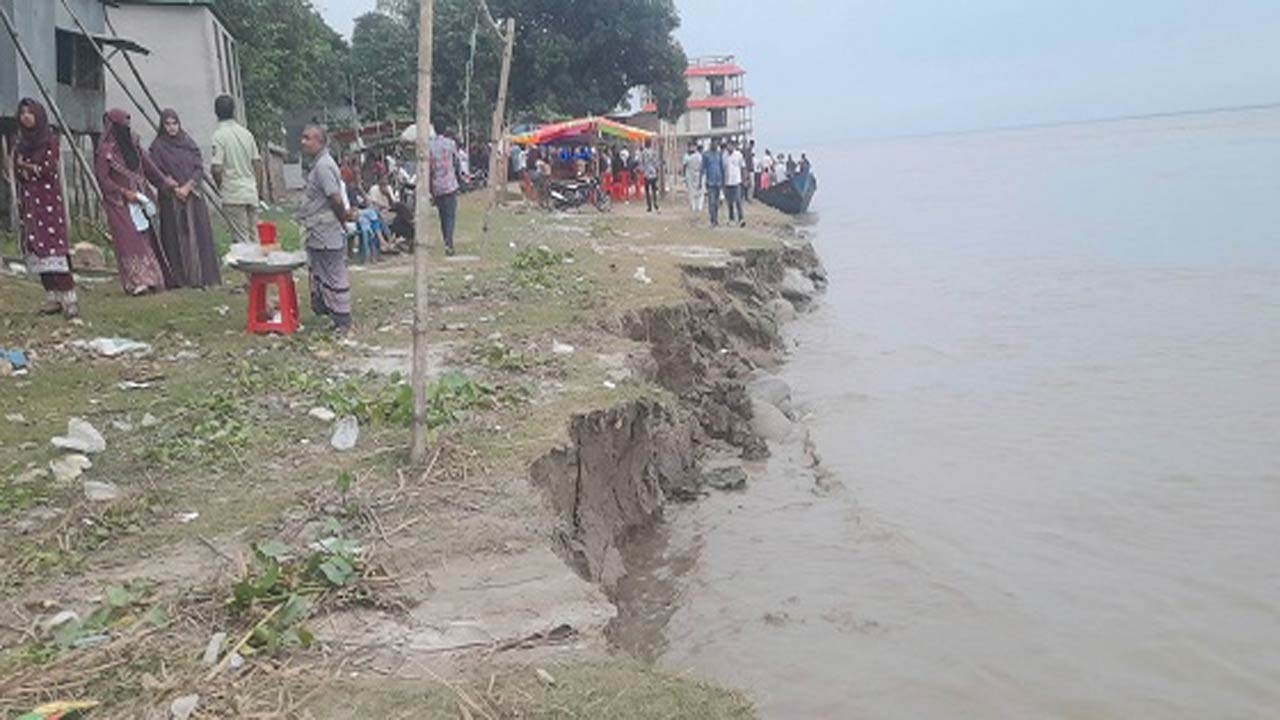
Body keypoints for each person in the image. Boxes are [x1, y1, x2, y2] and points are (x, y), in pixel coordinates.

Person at [96, 109, 179, 295]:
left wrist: (164, 182)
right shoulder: (106, 153)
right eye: (122, 124)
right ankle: (137, 282)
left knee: (146, 239)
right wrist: (124, 193)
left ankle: (154, 279)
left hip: (140, 201)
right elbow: (103, 179)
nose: (126, 128)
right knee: (128, 240)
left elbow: (149, 167)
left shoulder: (133, 144)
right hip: (120, 204)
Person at [11, 99, 77, 318]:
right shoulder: (21, 143)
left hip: (48, 202)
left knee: (53, 247)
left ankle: (69, 299)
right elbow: (18, 171)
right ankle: (52, 298)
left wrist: (27, 167)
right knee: (36, 247)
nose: (26, 117)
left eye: (30, 113)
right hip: (29, 201)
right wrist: (27, 169)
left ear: (38, 115)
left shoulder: (49, 140)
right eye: (22, 113)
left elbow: (48, 169)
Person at [149, 109, 220, 289]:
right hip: (171, 200)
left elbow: (198, 168)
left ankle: (202, 277)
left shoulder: (188, 143)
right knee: (176, 239)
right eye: (168, 124)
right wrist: (170, 185)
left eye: (175, 123)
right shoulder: (158, 147)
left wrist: (188, 186)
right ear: (162, 126)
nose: (172, 128)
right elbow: (153, 172)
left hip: (192, 197)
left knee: (197, 236)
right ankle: (180, 278)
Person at [295, 124, 353, 332]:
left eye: (307, 138)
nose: (303, 142)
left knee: (333, 271)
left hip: (326, 228)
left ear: (320, 141)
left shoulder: (323, 167)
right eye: (303, 137)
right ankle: (332, 313)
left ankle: (343, 318)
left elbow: (335, 198)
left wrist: (342, 221)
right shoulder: (318, 164)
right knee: (321, 271)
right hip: (317, 230)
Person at [210, 94, 261, 244]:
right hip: (250, 191)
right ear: (234, 111)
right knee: (254, 237)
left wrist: (221, 186)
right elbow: (257, 164)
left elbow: (217, 168)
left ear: (216, 112)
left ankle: (249, 267)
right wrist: (256, 187)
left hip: (233, 194)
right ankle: (259, 267)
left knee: (242, 240)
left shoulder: (219, 136)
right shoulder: (246, 134)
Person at [428, 126, 466, 256]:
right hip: (449, 185)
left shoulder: (429, 145)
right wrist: (460, 179)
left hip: (437, 187)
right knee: (450, 216)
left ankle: (446, 241)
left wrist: (430, 189)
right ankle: (449, 243)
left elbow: (429, 169)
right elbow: (456, 162)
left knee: (442, 216)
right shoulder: (450, 144)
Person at [722, 141, 746, 227]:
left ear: (733, 146)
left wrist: (744, 179)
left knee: (738, 200)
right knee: (730, 202)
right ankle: (731, 218)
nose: (729, 147)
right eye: (728, 146)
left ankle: (741, 218)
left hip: (737, 181)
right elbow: (723, 169)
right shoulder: (724, 156)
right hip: (728, 182)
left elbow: (743, 167)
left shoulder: (738, 155)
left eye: (731, 146)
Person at [701, 142, 724, 227]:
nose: (715, 145)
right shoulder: (706, 155)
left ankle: (716, 219)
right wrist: (701, 181)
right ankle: (712, 220)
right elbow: (702, 168)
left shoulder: (719, 155)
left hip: (718, 182)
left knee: (717, 203)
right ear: (711, 145)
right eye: (713, 144)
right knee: (711, 202)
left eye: (716, 144)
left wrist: (723, 181)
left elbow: (721, 168)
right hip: (710, 182)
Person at [640, 139, 661, 212]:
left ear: (645, 144)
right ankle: (655, 203)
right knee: (654, 190)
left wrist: (641, 170)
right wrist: (657, 169)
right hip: (653, 173)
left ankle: (649, 206)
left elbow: (641, 163)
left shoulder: (643, 153)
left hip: (646, 174)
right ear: (650, 144)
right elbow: (656, 162)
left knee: (647, 190)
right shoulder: (653, 152)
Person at [682, 143, 704, 212]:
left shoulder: (695, 157)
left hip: (694, 175)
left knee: (695, 191)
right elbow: (684, 166)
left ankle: (696, 206)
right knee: (697, 192)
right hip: (693, 175)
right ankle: (697, 206)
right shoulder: (698, 157)